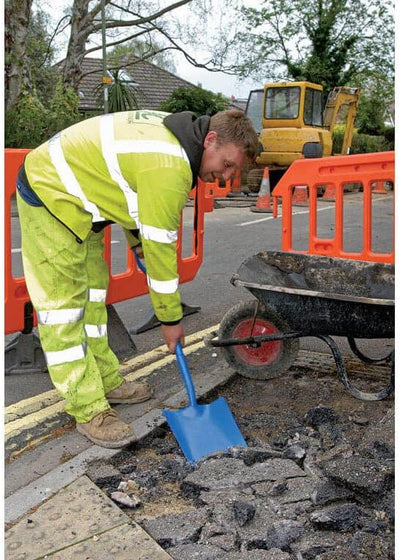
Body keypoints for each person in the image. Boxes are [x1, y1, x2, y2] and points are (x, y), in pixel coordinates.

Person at [16, 108, 259, 449]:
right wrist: (170, 319)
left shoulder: (178, 140)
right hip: (51, 195)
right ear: (211, 139)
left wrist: (138, 245)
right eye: (228, 164)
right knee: (63, 310)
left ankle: (105, 380)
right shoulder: (170, 165)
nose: (226, 177)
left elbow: (132, 195)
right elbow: (162, 255)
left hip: (83, 203)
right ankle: (87, 409)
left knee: (93, 298)